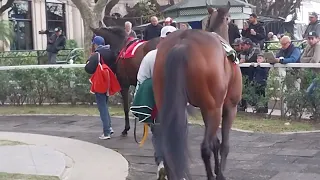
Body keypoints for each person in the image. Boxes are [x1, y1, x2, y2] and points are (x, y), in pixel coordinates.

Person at [131, 26, 177, 179]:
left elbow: (141, 79)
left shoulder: (150, 56)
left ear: (161, 39)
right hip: (176, 105)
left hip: (155, 107)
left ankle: (161, 163)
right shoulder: (182, 56)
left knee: (158, 136)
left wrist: (138, 103)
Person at [85, 36, 120, 140]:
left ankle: (106, 132)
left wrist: (89, 61)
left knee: (102, 107)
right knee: (105, 104)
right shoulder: (110, 51)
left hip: (100, 82)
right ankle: (109, 127)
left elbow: (89, 69)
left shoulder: (97, 54)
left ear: (95, 44)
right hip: (109, 80)